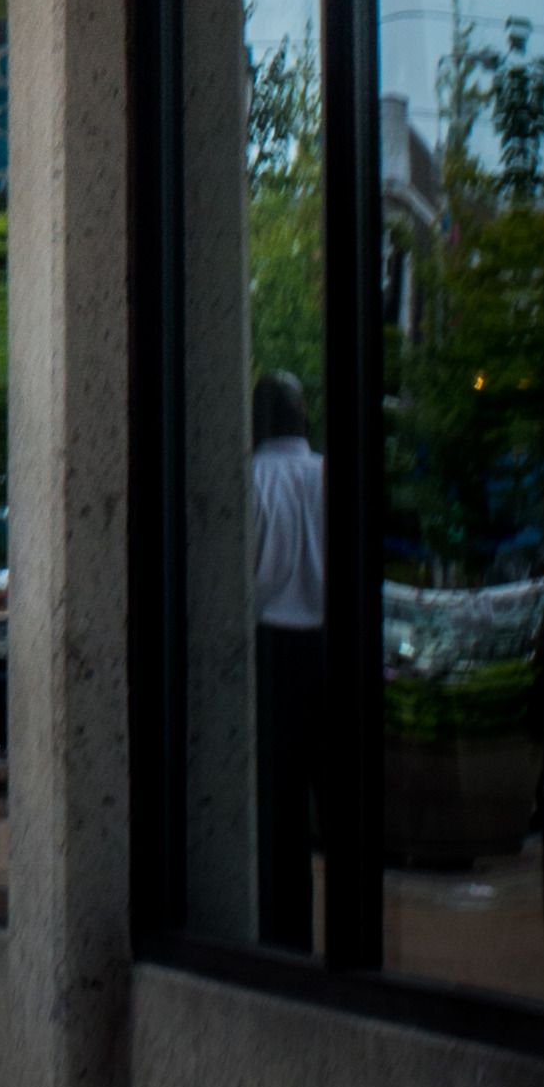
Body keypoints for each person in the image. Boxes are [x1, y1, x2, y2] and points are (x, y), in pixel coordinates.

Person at [252, 367, 325, 952]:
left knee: (278, 811)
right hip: (327, 655)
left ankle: (285, 938)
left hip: (271, 654)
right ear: (303, 418)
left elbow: (240, 581)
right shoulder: (329, 478)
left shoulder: (251, 481)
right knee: (330, 797)